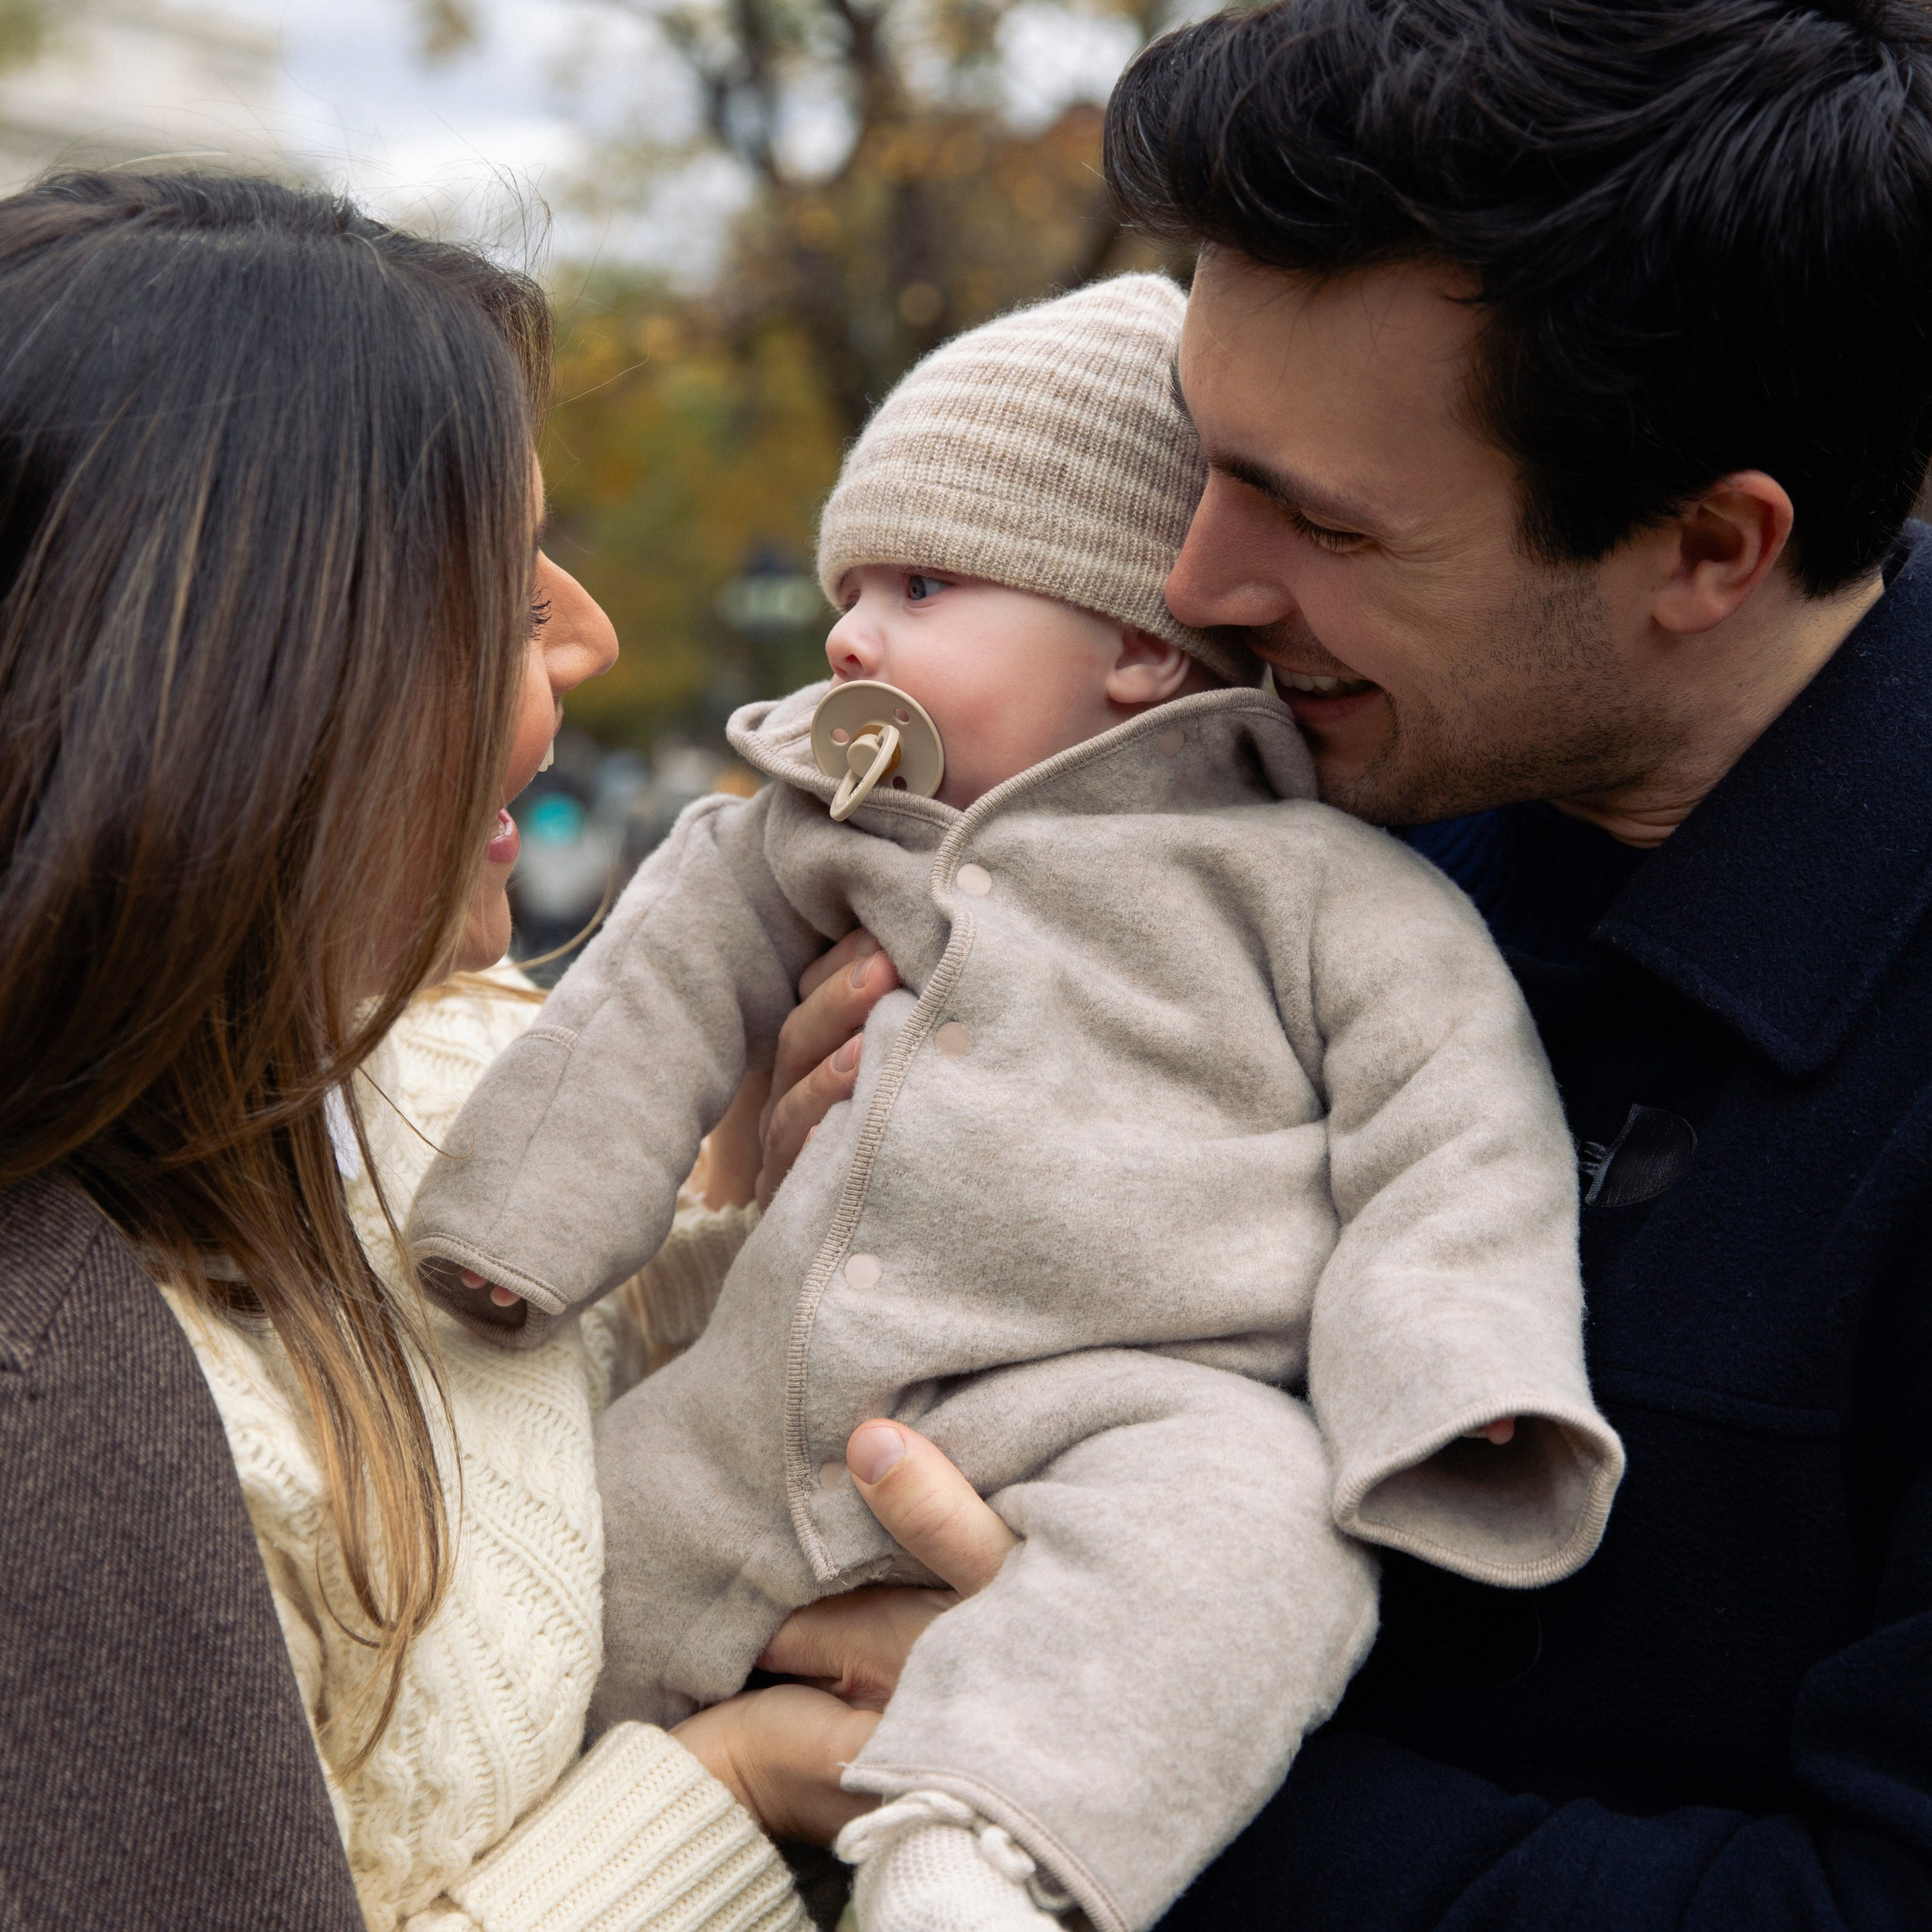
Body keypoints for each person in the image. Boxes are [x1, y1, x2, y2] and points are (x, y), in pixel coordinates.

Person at [404, 273, 1623, 1932]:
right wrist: (515, 1233)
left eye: (918, 585)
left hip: (1133, 1393)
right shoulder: (800, 838)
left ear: (1134, 640)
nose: (850, 637)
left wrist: (1456, 1380)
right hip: (777, 1383)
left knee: (1245, 1550)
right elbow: (643, 1013)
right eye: (849, 590)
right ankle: (468, 1851)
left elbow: (1456, 1135)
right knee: (565, 1578)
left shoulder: (1322, 889)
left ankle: (975, 1849)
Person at [1028, 0, 1932, 1923]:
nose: (1195, 584)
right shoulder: (1260, 830)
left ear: (1707, 544)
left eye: (1322, 519)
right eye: (1204, 457)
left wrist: (1082, 1744)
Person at [0, 169, 984, 1932]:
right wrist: (726, 1793)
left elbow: (517, 1376)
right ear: (251, 689)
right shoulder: (59, 1415)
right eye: (504, 597)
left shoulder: (422, 1072)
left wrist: (770, 1214)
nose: (593, 633)